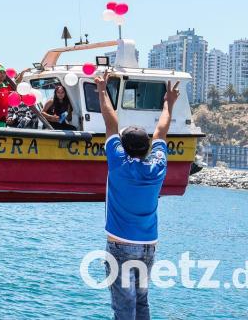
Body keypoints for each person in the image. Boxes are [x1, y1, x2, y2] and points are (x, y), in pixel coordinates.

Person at [95, 71, 179, 320]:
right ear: (147, 148)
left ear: (123, 146)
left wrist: (102, 89)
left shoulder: (119, 163)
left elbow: (110, 124)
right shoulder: (157, 166)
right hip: (148, 246)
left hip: (121, 245)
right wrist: (169, 103)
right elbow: (161, 131)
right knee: (141, 303)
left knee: (124, 308)